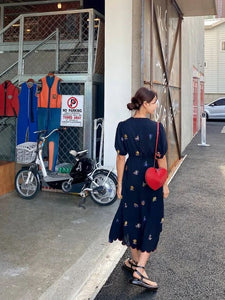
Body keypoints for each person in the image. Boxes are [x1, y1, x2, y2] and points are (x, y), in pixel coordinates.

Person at [109, 87, 169, 291]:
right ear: (144, 103)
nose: (156, 106)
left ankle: (134, 262)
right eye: (154, 102)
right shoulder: (158, 128)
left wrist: (119, 183)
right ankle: (140, 269)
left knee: (131, 218)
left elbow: (120, 157)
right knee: (153, 218)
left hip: (131, 177)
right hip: (151, 179)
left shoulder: (123, 126)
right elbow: (161, 158)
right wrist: (165, 184)